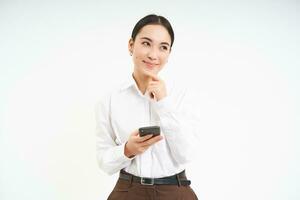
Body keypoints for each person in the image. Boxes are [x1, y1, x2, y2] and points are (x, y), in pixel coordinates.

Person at [95, 14, 199, 200]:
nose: (153, 54)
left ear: (169, 54)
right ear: (131, 45)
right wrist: (128, 150)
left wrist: (164, 103)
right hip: (128, 191)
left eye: (163, 47)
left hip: (175, 191)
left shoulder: (181, 95)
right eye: (146, 43)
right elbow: (104, 161)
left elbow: (186, 154)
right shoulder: (111, 99)